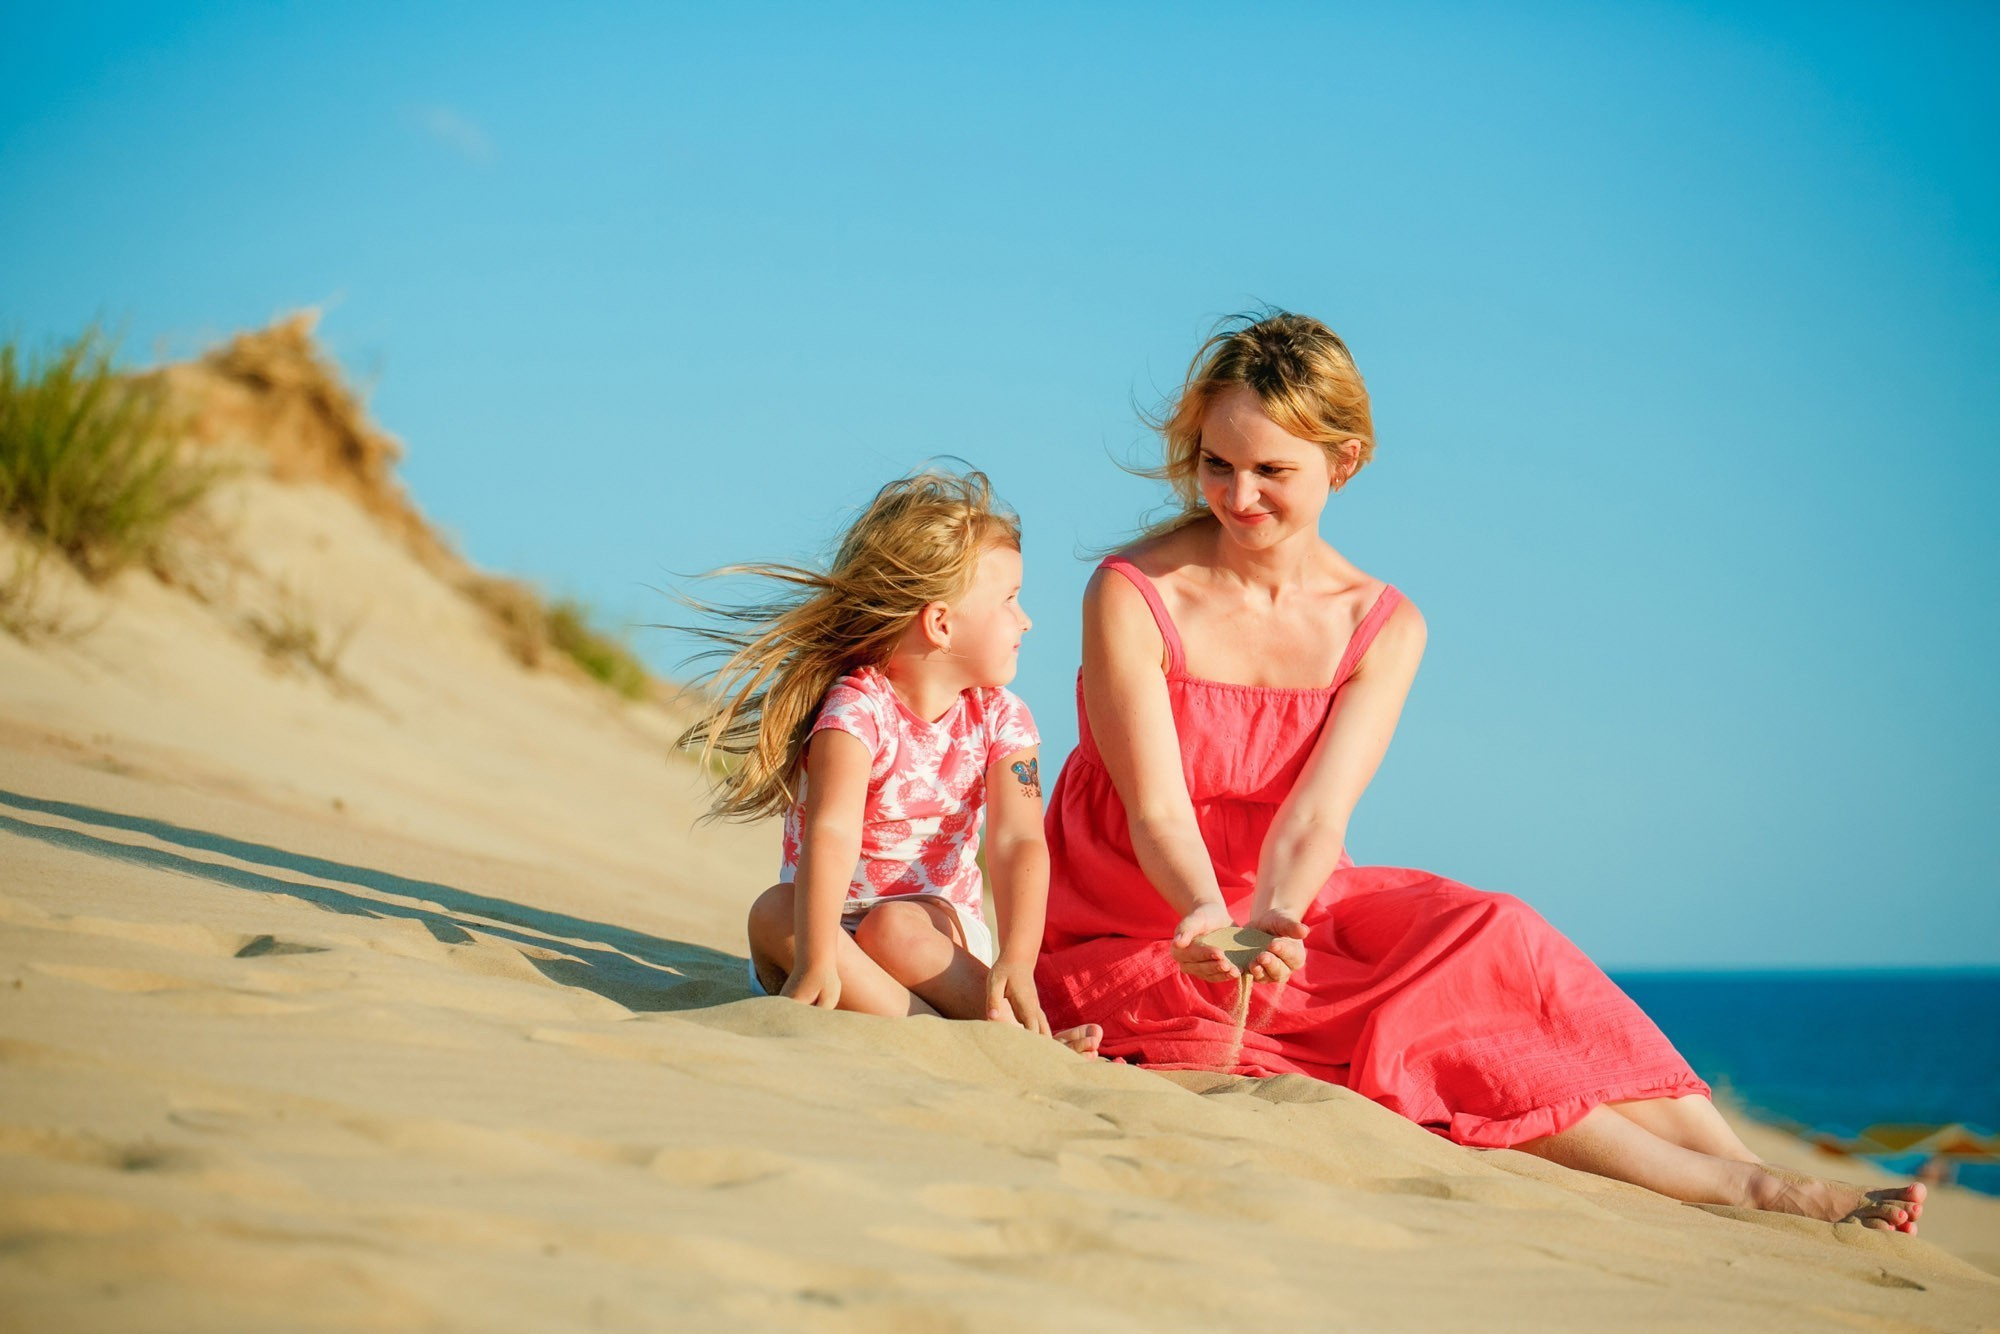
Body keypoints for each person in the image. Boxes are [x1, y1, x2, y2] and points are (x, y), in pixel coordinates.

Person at [1034, 312, 1924, 1232]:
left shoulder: (1383, 625)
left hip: (1288, 900)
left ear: (1344, 461)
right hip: (1146, 911)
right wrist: (1208, 918)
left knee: (1497, 931)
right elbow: (1158, 812)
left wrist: (1279, 919)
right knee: (1409, 1027)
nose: (1238, 495)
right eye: (1218, 464)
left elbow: (1312, 820)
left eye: (1272, 471)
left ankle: (1748, 1165)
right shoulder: (1133, 592)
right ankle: (1741, 1192)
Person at [678, 469, 1099, 1055]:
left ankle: (1015, 1035)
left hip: (931, 938)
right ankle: (955, 1039)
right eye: (1009, 600)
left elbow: (1018, 842)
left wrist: (1018, 959)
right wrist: (820, 955)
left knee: (894, 927)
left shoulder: (1003, 718)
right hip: (828, 947)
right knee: (775, 910)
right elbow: (833, 827)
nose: (1025, 619)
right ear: (941, 622)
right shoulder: (856, 710)